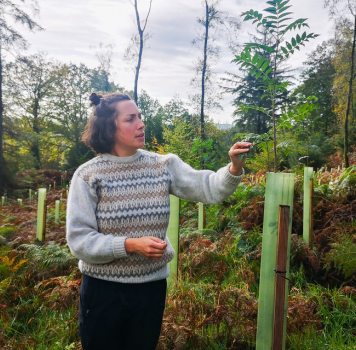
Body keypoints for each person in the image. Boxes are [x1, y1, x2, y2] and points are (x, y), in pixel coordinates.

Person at [66, 92, 251, 350]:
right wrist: (130, 245)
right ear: (109, 127)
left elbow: (209, 188)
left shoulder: (163, 165)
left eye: (140, 117)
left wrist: (233, 169)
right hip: (103, 292)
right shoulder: (87, 175)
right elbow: (79, 240)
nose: (141, 123)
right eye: (131, 119)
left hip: (150, 290)